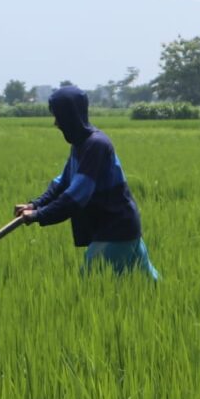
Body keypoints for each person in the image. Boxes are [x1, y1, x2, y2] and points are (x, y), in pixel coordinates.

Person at [14, 86, 159, 279]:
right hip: (120, 226)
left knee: (92, 283)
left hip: (114, 228)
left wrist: (38, 215)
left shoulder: (96, 145)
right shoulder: (80, 145)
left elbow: (75, 196)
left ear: (71, 116)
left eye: (58, 117)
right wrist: (34, 205)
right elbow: (62, 183)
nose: (56, 123)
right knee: (147, 285)